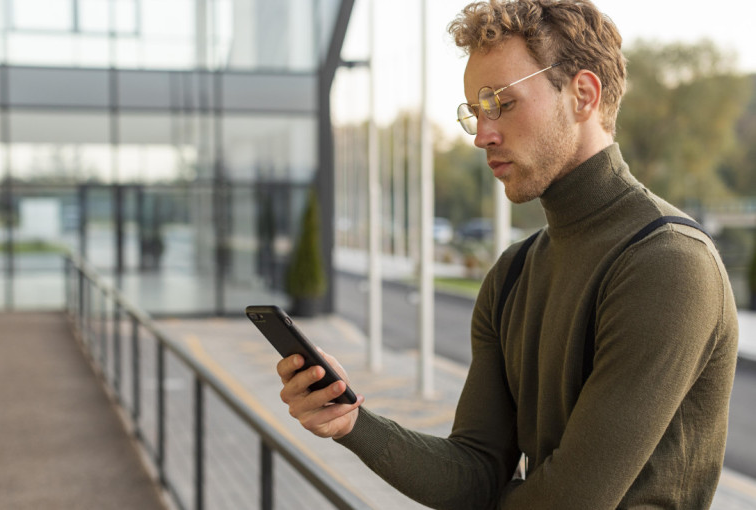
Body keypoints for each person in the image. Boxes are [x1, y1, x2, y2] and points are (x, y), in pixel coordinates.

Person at [276, 0, 739, 508]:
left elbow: (567, 502)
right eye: (475, 110)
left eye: (501, 103)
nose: (481, 134)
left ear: (582, 95)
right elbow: (473, 470)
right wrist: (352, 422)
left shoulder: (668, 264)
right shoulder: (512, 273)